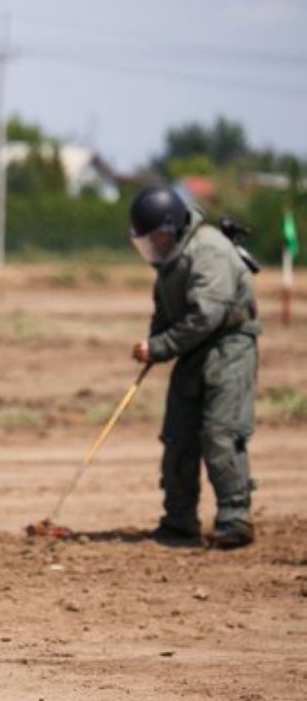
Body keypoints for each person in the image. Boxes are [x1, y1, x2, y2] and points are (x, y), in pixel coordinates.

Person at [128, 185, 261, 549]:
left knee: (220, 432)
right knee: (178, 437)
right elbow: (165, 313)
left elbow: (206, 315)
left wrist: (161, 346)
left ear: (172, 228)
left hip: (229, 348)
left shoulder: (209, 250)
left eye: (155, 239)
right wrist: (154, 346)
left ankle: (235, 518)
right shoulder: (170, 262)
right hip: (192, 352)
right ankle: (179, 521)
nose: (152, 249)